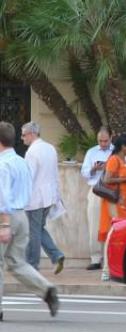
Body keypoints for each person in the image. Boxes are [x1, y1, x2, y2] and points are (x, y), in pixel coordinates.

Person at [0, 121, 59, 320]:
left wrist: (5, 224)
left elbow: (2, 196)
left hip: (5, 216)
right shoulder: (20, 161)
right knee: (17, 262)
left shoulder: (3, 164)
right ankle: (46, 289)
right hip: (22, 215)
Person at [21, 121, 65, 273]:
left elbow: (29, 177)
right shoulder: (50, 148)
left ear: (32, 134)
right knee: (38, 229)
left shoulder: (32, 152)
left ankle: (32, 265)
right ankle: (56, 255)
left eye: (24, 134)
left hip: (35, 199)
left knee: (33, 232)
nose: (22, 138)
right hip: (48, 197)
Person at [98, 134, 126, 281]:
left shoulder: (124, 160)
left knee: (123, 235)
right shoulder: (114, 160)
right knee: (113, 234)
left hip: (125, 202)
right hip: (115, 202)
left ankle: (118, 268)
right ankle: (106, 269)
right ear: (123, 146)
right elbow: (107, 179)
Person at [80, 126, 113, 270]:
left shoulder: (117, 151)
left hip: (112, 191)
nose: (103, 144)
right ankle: (95, 258)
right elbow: (84, 172)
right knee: (94, 225)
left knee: (112, 226)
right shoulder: (91, 152)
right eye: (100, 141)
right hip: (96, 190)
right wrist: (94, 169)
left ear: (111, 138)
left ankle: (110, 258)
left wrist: (108, 167)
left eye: (106, 141)